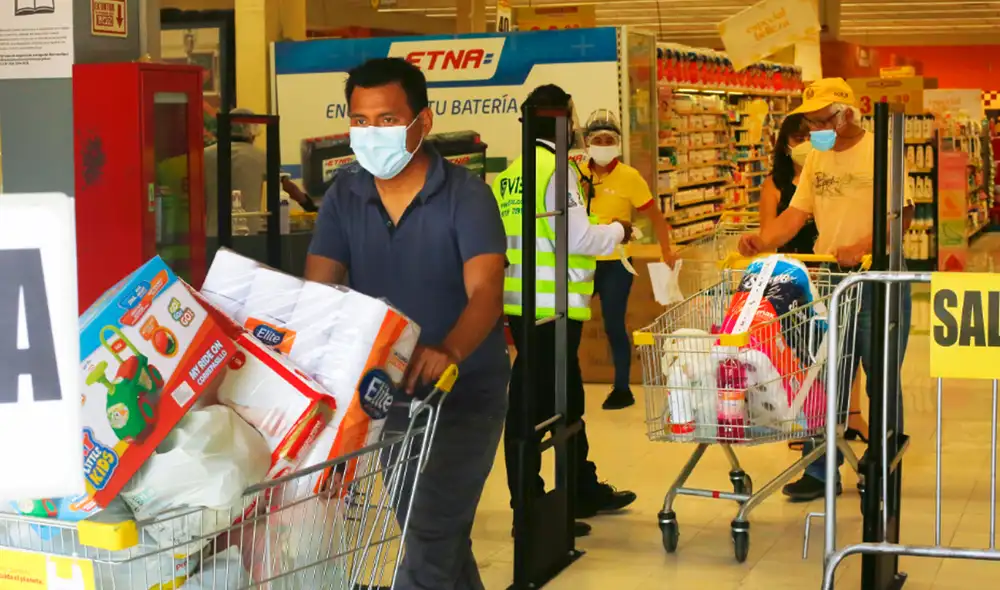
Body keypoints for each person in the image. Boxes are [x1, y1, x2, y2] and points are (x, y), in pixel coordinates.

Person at [305, 57, 509, 589]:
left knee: (430, 534)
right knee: (433, 532)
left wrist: (450, 351)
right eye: (360, 120)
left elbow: (486, 292)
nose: (372, 133)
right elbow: (320, 291)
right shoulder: (345, 196)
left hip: (464, 393)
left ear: (424, 121)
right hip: (388, 391)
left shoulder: (466, 195)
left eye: (388, 119)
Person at [738, 77, 913, 502]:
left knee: (880, 375)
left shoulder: (882, 149)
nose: (815, 129)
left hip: (878, 275)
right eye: (810, 122)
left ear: (846, 113)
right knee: (825, 372)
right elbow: (796, 213)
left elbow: (902, 215)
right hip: (832, 280)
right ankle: (820, 470)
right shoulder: (817, 156)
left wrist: (864, 246)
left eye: (821, 120)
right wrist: (762, 239)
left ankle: (882, 461)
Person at [494, 84, 637, 538]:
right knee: (534, 408)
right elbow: (578, 238)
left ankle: (579, 488)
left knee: (565, 400)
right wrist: (618, 230)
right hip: (552, 308)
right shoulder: (556, 171)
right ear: (562, 120)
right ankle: (531, 507)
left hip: (522, 305)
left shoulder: (509, 175)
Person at [579, 109, 678, 410]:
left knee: (613, 324)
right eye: (598, 140)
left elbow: (655, 216)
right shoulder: (576, 173)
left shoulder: (629, 177)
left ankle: (622, 389)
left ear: (618, 143)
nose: (603, 145)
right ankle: (568, 385)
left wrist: (667, 250)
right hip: (581, 261)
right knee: (570, 324)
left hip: (616, 263)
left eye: (609, 140)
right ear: (587, 142)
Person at [759, 113, 817, 255]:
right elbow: (766, 236)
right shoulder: (774, 184)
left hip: (828, 262)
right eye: (799, 139)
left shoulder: (830, 179)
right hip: (791, 262)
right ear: (785, 146)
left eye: (811, 138)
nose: (807, 144)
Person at [204, 107, 267, 236]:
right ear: (252, 132)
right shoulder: (261, 156)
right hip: (250, 232)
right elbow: (285, 184)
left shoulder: (205, 155)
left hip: (215, 232)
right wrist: (306, 203)